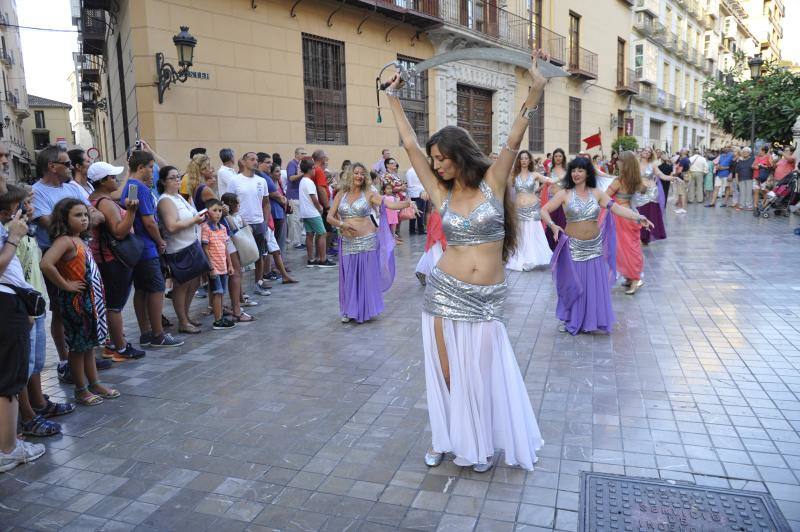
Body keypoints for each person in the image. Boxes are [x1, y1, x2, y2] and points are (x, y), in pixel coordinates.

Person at [384, 51, 546, 472]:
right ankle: (447, 438)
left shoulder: (493, 182)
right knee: (448, 374)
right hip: (444, 292)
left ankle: (478, 440)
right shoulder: (442, 195)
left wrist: (537, 88)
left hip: (487, 297)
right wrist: (393, 99)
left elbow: (513, 138)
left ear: (460, 153)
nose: (436, 165)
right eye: (434, 159)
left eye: (443, 158)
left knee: (480, 372)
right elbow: (409, 145)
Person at [543, 156, 652, 333]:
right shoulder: (564, 193)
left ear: (588, 173)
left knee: (591, 287)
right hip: (573, 248)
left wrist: (638, 217)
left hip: (594, 247)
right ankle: (573, 319)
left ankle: (590, 321)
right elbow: (544, 210)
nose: (576, 173)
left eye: (581, 170)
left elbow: (616, 208)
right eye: (574, 170)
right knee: (574, 285)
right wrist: (553, 226)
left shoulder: (597, 193)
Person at [2, 185, 73, 438]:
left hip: (33, 304)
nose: (32, 209)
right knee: (22, 366)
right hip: (22, 306)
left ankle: (37, 402)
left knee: (35, 363)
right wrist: (27, 309)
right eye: (26, 205)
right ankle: (27, 417)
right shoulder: (12, 237)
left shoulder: (26, 234)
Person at [32, 145, 108, 381]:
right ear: (52, 166)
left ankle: (86, 359)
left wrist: (82, 219)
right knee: (62, 310)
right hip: (58, 255)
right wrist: (76, 222)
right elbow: (48, 223)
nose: (72, 167)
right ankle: (67, 361)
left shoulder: (71, 188)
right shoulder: (37, 192)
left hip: (79, 250)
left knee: (85, 310)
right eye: (66, 164)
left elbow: (97, 214)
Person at [40, 199, 120, 406]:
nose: (84, 219)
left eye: (85, 214)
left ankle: (94, 382)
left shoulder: (79, 239)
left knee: (88, 345)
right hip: (76, 302)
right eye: (77, 215)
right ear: (64, 218)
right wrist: (65, 285)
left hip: (89, 301)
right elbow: (46, 264)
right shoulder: (65, 241)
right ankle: (80, 389)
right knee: (77, 347)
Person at [327, 163, 409, 323]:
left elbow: (390, 204)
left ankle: (364, 310)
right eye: (356, 173)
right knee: (349, 277)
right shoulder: (341, 194)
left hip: (367, 241)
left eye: (362, 174)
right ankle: (349, 310)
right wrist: (342, 224)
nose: (359, 176)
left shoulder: (369, 194)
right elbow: (330, 216)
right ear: (349, 175)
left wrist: (407, 203)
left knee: (365, 277)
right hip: (347, 242)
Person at [0, 190, 46, 471]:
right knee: (9, 381)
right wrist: (14, 236)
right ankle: (8, 449)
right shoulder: (11, 230)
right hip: (5, 305)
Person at [121, 151, 184, 348]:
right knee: (157, 289)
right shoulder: (139, 187)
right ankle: (158, 334)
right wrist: (159, 241)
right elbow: (148, 221)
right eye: (150, 167)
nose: (152, 170)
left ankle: (145, 332)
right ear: (140, 168)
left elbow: (130, 208)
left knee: (141, 290)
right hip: (146, 247)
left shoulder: (131, 186)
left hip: (136, 246)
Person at [88, 162, 146, 360]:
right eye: (112, 177)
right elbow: (119, 232)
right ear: (103, 181)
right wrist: (131, 212)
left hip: (104, 258)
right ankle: (120, 348)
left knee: (111, 303)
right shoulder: (104, 203)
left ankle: (113, 343)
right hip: (113, 259)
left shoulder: (96, 198)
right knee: (115, 305)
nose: (116, 180)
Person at [157, 166, 206, 334]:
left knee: (195, 282)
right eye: (172, 178)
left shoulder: (178, 197)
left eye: (178, 177)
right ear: (163, 181)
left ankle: (185, 315)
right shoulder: (165, 200)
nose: (177, 180)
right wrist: (194, 220)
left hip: (191, 244)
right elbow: (171, 226)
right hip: (178, 248)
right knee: (181, 286)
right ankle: (183, 321)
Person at [605, 152, 652, 294]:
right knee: (631, 248)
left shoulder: (618, 181)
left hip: (621, 217)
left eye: (618, 161)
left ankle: (635, 279)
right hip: (632, 215)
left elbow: (605, 198)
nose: (616, 163)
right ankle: (631, 277)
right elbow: (645, 191)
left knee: (624, 249)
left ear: (623, 163)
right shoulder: (636, 181)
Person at [228, 152, 272, 295]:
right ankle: (239, 292)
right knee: (240, 258)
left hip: (258, 222)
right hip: (241, 225)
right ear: (244, 161)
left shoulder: (261, 181)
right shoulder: (235, 181)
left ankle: (258, 283)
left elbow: (266, 203)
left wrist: (265, 221)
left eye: (256, 160)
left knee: (259, 255)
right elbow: (228, 202)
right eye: (252, 159)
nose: (255, 162)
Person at [506, 150, 551, 271]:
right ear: (519, 161)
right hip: (519, 209)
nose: (524, 160)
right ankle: (522, 259)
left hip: (532, 209)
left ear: (529, 160)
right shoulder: (514, 176)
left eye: (526, 158)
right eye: (522, 158)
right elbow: (502, 186)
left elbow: (549, 180)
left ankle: (532, 259)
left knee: (532, 233)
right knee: (520, 234)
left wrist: (566, 179)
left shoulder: (535, 174)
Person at [219, 193, 255, 323]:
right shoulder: (226, 216)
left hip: (228, 240)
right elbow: (233, 229)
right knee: (235, 273)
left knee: (236, 272)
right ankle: (236, 310)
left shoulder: (229, 215)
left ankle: (233, 307)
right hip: (228, 240)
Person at [200, 199, 236, 330]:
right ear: (207, 212)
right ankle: (217, 320)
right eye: (214, 210)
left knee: (221, 293)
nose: (218, 213)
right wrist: (211, 267)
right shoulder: (205, 228)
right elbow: (205, 248)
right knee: (217, 292)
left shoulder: (223, 228)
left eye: (220, 210)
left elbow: (226, 248)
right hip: (214, 267)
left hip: (223, 266)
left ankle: (220, 317)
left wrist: (230, 265)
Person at [299, 158, 335, 268]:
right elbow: (313, 197)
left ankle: (311, 259)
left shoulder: (302, 181)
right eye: (314, 168)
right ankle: (323, 260)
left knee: (310, 235)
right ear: (311, 169)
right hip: (312, 212)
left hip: (305, 212)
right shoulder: (309, 182)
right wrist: (319, 207)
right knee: (323, 233)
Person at [637, 148, 675, 245]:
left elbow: (662, 176)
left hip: (651, 192)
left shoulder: (653, 165)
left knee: (650, 214)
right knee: (640, 212)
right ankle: (640, 236)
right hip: (640, 191)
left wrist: (673, 178)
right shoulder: (635, 164)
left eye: (649, 152)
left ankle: (646, 237)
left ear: (650, 155)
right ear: (641, 152)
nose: (647, 152)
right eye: (645, 150)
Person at [542, 148, 567, 249]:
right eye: (556, 156)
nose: (558, 158)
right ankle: (550, 246)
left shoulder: (567, 170)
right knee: (551, 221)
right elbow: (547, 182)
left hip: (562, 200)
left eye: (560, 156)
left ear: (563, 157)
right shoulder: (550, 168)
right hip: (551, 198)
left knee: (562, 221)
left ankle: (562, 245)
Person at [415, 205, 446, 286]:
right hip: (439, 216)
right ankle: (437, 277)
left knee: (433, 248)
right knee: (436, 246)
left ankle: (421, 270)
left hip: (441, 215)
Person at [285, 147, 307, 248]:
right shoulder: (292, 164)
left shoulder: (300, 165)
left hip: (299, 196)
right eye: (302, 153)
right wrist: (303, 174)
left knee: (299, 220)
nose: (304, 155)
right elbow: (291, 178)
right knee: (295, 221)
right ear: (296, 154)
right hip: (293, 196)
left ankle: (297, 241)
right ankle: (296, 242)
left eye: (305, 153)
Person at [752, 145, 774, 214]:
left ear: (763, 151)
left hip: (764, 177)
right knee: (756, 191)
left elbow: (771, 166)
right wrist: (758, 167)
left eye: (759, 150)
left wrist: (763, 166)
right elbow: (752, 166)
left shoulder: (768, 157)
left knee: (764, 191)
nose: (758, 151)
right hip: (756, 177)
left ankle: (765, 204)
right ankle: (755, 206)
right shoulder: (757, 157)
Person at [406, 165, 427, 235]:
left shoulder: (408, 171)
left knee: (412, 212)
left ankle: (412, 229)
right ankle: (421, 230)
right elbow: (423, 182)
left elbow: (408, 183)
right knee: (420, 212)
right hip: (420, 193)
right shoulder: (420, 171)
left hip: (411, 193)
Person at [672, 149, 691, 214]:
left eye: (680, 151)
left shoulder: (683, 160)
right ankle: (680, 208)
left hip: (681, 178)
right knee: (681, 193)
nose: (679, 152)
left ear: (682, 152)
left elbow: (679, 171)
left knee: (682, 193)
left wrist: (675, 175)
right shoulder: (687, 159)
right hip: (685, 177)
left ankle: (682, 208)